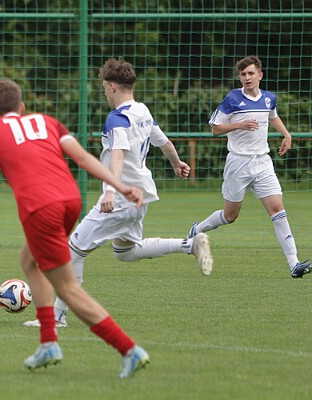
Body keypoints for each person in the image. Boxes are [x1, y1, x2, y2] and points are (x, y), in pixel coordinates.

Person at [0, 78, 150, 378]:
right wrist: (119, 187)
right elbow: (82, 158)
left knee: (67, 287)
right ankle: (48, 342)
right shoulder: (47, 122)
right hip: (70, 201)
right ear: (22, 107)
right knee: (29, 260)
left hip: (41, 209)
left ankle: (129, 349)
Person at [24, 58, 214, 329]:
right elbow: (164, 142)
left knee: (72, 250)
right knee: (125, 251)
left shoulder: (117, 118)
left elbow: (118, 156)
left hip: (122, 198)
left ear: (113, 86)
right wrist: (176, 163)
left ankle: (56, 318)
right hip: (141, 196)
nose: (104, 93)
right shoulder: (142, 111)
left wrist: (110, 192)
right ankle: (190, 245)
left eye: (104, 88)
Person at [187, 55, 311, 278]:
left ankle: (294, 264)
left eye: (251, 73)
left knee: (278, 210)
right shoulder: (233, 98)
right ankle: (198, 229)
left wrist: (286, 134)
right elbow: (215, 128)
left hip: (262, 162)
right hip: (238, 163)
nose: (247, 77)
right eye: (243, 74)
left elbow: (273, 116)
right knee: (230, 216)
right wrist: (239, 124)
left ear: (260, 75)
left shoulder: (269, 98)